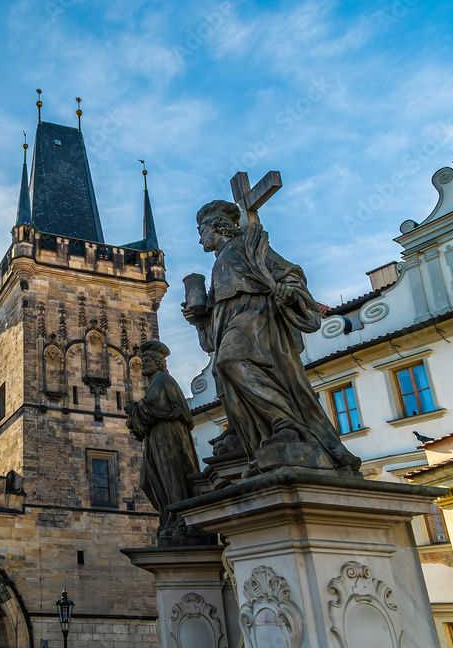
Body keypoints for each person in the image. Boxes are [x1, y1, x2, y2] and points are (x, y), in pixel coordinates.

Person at [182, 200, 361, 475]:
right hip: (232, 321)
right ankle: (265, 438)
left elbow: (290, 273)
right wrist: (199, 317)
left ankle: (286, 422)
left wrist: (289, 291)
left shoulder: (247, 244)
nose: (200, 239)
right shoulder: (219, 263)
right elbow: (215, 320)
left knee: (232, 360)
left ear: (216, 226)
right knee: (225, 370)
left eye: (200, 230)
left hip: (256, 318)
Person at [125, 340, 200, 541]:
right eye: (143, 360)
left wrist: (137, 411)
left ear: (159, 363)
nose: (144, 364)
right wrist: (137, 414)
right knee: (149, 480)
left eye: (148, 360)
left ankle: (178, 520)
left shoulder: (163, 380)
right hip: (155, 438)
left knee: (170, 477)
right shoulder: (154, 384)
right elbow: (149, 411)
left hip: (168, 438)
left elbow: (163, 409)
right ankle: (169, 518)